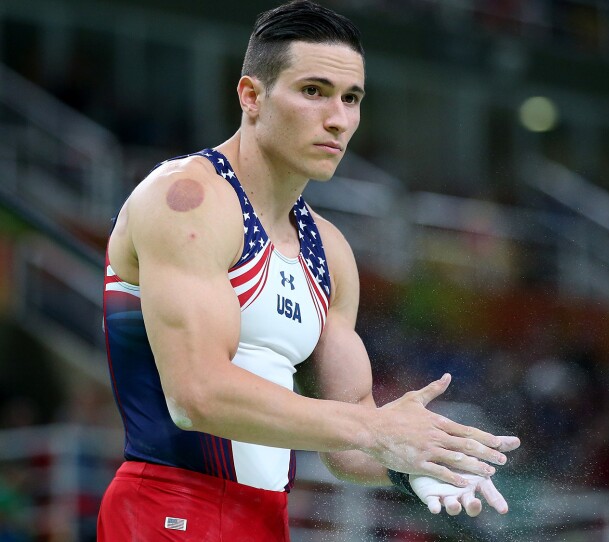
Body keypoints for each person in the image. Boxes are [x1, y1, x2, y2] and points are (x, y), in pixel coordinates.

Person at [97, 1, 520, 540]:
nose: (338, 119)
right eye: (314, 91)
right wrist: (377, 429)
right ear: (252, 96)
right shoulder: (188, 199)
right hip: (168, 508)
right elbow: (196, 394)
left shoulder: (331, 252)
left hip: (267, 520)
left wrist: (413, 465)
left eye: (352, 99)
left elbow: (347, 438)